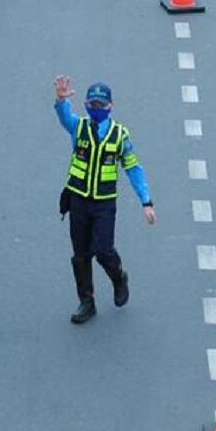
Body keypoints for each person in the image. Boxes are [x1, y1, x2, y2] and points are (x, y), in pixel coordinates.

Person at [53, 76, 154, 324]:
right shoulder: (79, 128)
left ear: (110, 107)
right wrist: (61, 99)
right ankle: (87, 301)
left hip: (104, 203)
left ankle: (119, 277)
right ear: (86, 105)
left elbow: (133, 168)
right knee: (80, 254)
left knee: (103, 250)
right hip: (78, 200)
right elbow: (65, 117)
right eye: (92, 105)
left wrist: (146, 201)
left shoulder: (119, 136)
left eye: (100, 105)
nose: (95, 109)